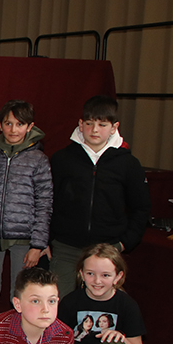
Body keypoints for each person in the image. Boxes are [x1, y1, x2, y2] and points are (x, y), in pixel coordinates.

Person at [49, 96, 151, 298]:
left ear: (114, 127)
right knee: (59, 306)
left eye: (102, 124)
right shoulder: (62, 159)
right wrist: (48, 238)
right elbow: (47, 202)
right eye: (89, 123)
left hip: (107, 249)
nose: (95, 130)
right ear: (80, 124)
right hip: (66, 248)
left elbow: (141, 209)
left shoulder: (128, 164)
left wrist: (123, 243)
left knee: (100, 311)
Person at [0, 100, 52, 322]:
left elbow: (45, 203)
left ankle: (16, 339)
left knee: (20, 291)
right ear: (0, 125)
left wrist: (38, 244)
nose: (13, 130)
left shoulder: (38, 159)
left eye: (19, 124)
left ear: (30, 127)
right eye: (8, 123)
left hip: (24, 240)